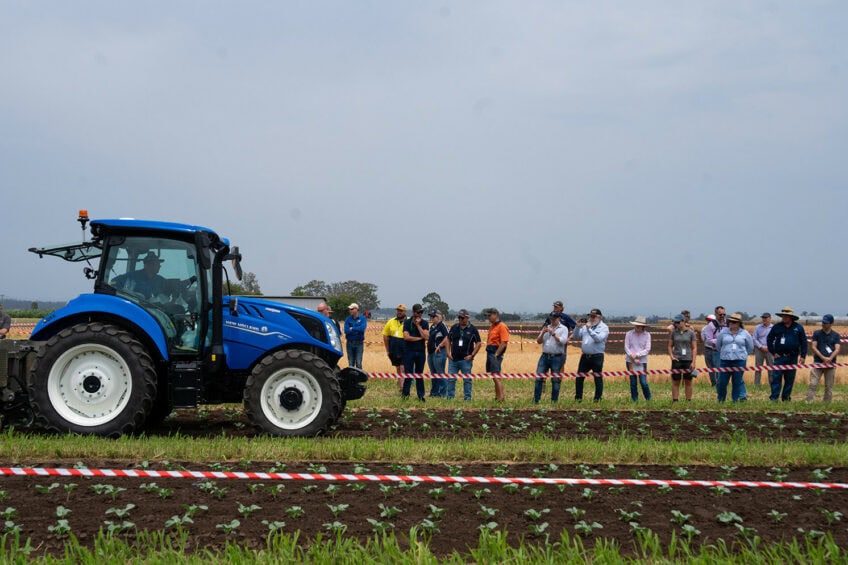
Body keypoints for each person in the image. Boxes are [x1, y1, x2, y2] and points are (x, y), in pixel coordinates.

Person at [767, 306, 808, 402]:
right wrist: (773, 352)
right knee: (776, 378)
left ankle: (786, 398)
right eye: (783, 316)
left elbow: (804, 342)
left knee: (789, 379)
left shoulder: (798, 328)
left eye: (786, 316)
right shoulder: (777, 327)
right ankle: (774, 398)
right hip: (779, 357)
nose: (784, 317)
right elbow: (769, 339)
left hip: (792, 357)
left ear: (791, 317)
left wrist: (803, 356)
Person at [715, 312, 753, 402]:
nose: (732, 323)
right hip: (725, 361)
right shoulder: (723, 333)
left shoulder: (745, 333)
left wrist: (742, 355)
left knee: (737, 382)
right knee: (722, 382)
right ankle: (721, 400)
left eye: (734, 322)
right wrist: (725, 352)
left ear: (739, 323)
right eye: (730, 322)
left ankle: (735, 400)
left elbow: (750, 347)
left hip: (739, 361)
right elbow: (718, 346)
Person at [573, 308, 609, 402]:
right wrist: (577, 327)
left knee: (597, 378)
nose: (591, 318)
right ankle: (578, 398)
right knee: (579, 377)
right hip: (585, 356)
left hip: (597, 356)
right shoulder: (585, 326)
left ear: (599, 317)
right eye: (590, 316)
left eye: (593, 316)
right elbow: (576, 336)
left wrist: (589, 329)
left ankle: (597, 399)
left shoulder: (604, 327)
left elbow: (598, 339)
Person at [445, 309, 482, 401]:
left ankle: (467, 398)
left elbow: (478, 343)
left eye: (462, 318)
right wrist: (448, 353)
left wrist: (472, 355)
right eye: (459, 317)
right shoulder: (454, 328)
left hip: (466, 360)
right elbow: (448, 340)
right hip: (453, 359)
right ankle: (450, 398)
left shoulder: (473, 329)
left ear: (467, 318)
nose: (460, 319)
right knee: (451, 379)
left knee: (467, 380)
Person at [534, 312, 569, 403]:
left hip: (557, 357)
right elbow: (538, 341)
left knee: (555, 380)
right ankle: (536, 400)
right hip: (545, 356)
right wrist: (542, 333)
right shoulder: (546, 327)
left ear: (558, 319)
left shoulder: (563, 329)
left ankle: (554, 401)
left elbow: (563, 341)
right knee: (538, 377)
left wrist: (553, 334)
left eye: (554, 319)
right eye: (551, 319)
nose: (552, 321)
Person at [806, 314, 841, 403]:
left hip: (831, 364)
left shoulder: (836, 335)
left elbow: (837, 349)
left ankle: (827, 403)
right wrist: (822, 357)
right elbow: (813, 347)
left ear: (831, 323)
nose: (823, 324)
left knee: (829, 386)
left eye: (826, 323)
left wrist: (830, 358)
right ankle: (809, 402)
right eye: (823, 322)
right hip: (818, 362)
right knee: (813, 384)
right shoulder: (817, 333)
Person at [402, 304, 429, 401]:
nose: (420, 314)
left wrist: (418, 325)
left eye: (421, 312)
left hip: (421, 352)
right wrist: (419, 338)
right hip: (409, 352)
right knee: (408, 374)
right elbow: (406, 337)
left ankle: (421, 396)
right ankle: (405, 395)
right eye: (418, 312)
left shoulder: (424, 323)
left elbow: (426, 337)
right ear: (413, 312)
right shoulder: (407, 322)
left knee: (419, 374)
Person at [669, 314, 698, 402]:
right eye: (675, 322)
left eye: (678, 322)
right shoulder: (674, 332)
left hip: (688, 359)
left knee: (688, 381)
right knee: (675, 381)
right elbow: (670, 346)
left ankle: (688, 400)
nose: (676, 324)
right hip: (677, 359)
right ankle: (675, 400)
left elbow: (694, 348)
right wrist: (672, 357)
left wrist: (693, 362)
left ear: (683, 321)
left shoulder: (691, 333)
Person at [624, 316, 652, 402]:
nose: (637, 327)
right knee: (633, 382)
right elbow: (626, 347)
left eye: (639, 326)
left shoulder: (647, 335)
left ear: (643, 326)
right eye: (636, 325)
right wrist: (631, 355)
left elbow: (647, 349)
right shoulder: (629, 334)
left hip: (642, 361)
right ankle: (634, 400)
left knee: (643, 382)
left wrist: (637, 355)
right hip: (630, 361)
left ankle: (649, 399)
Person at [485, 308, 509, 401]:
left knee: (496, 376)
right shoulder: (492, 326)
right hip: (490, 352)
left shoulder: (502, 326)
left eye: (489, 315)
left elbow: (504, 342)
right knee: (494, 376)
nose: (488, 318)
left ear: (496, 314)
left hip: (495, 353)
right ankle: (497, 396)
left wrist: (496, 354)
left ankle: (501, 397)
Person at [382, 305, 407, 392]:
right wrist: (387, 350)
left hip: (405, 349)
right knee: (398, 368)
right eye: (398, 310)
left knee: (403, 367)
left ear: (405, 312)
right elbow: (385, 336)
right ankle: (401, 385)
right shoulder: (391, 321)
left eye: (401, 311)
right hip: (394, 349)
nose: (399, 312)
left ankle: (403, 388)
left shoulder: (408, 321)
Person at [702, 307, 728, 386]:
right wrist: (719, 341)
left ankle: (722, 384)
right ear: (716, 314)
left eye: (724, 314)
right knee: (716, 368)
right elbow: (708, 340)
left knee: (725, 369)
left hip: (726, 350)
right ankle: (716, 384)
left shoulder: (728, 324)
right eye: (720, 314)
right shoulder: (710, 326)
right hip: (715, 350)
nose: (722, 316)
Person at [427, 310, 449, 398]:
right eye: (431, 317)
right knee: (433, 373)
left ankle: (443, 393)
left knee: (440, 372)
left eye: (433, 316)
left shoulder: (442, 326)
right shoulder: (432, 326)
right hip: (431, 353)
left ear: (439, 317)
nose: (432, 318)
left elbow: (447, 337)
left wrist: (440, 345)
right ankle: (434, 392)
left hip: (440, 352)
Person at [751, 313, 774, 388]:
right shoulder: (757, 327)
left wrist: (769, 347)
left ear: (770, 318)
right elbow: (754, 338)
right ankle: (756, 385)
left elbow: (776, 339)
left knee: (771, 368)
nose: (764, 319)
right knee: (758, 368)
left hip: (770, 350)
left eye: (766, 318)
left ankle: (772, 384)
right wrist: (761, 346)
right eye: (763, 318)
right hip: (759, 349)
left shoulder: (773, 328)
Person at [343, 303, 367, 369]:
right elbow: (346, 331)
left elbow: (362, 328)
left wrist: (352, 328)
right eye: (349, 309)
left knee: (359, 363)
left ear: (356, 309)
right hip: (350, 343)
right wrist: (357, 329)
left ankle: (359, 379)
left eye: (351, 309)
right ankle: (351, 379)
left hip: (359, 343)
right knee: (351, 363)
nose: (350, 310)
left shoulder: (362, 318)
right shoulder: (348, 319)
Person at [700, 314, 717, 385]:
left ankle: (719, 382)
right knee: (710, 367)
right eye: (708, 320)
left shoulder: (718, 328)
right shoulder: (704, 329)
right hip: (708, 349)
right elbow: (703, 339)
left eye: (710, 320)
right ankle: (713, 383)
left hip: (717, 349)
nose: (709, 322)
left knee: (717, 367)